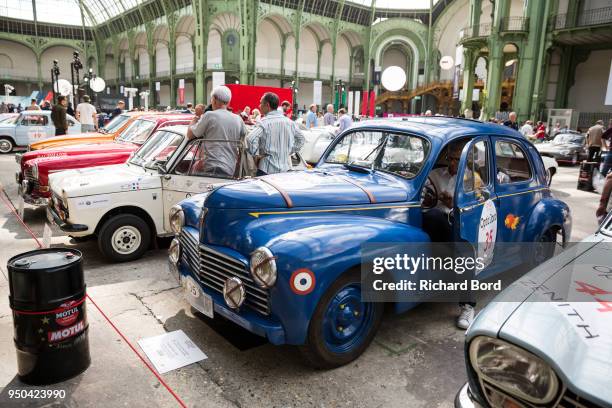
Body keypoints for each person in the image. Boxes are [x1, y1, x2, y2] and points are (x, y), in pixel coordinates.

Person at [186, 86, 246, 177]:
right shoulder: (238, 119)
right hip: (231, 169)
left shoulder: (210, 115)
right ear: (228, 102)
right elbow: (244, 144)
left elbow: (190, 135)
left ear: (214, 99)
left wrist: (195, 119)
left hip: (212, 167)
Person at [247, 92, 305, 176]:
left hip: (266, 169)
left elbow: (250, 139)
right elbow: (301, 139)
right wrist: (288, 151)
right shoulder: (290, 123)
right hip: (285, 169)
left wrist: (256, 155)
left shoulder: (264, 122)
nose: (259, 106)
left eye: (260, 103)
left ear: (267, 105)